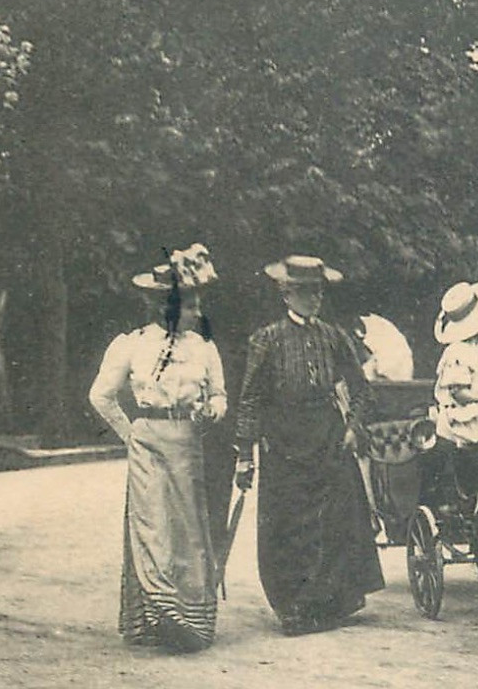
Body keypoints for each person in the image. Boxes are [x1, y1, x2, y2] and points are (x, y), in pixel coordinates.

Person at [233, 254, 384, 636]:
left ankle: (330, 601)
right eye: (304, 292)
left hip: (328, 434)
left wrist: (353, 426)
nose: (313, 299)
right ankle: (293, 607)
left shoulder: (333, 337)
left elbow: (362, 389)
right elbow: (249, 398)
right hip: (283, 440)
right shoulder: (266, 339)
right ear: (286, 295)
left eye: (317, 292)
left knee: (335, 521)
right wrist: (246, 454)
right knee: (288, 525)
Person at [88, 243, 226, 653]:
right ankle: (160, 613)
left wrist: (211, 412)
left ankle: (193, 618)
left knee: (188, 529)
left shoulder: (203, 348)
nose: (196, 313)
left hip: (187, 442)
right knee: (154, 526)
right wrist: (131, 434)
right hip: (148, 441)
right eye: (189, 305)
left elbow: (219, 395)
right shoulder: (132, 345)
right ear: (168, 306)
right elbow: (101, 396)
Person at [422, 280, 478, 509]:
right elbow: (458, 394)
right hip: (461, 417)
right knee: (477, 441)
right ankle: (472, 497)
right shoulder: (456, 352)